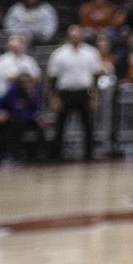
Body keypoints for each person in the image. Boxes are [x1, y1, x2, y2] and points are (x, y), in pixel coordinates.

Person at [47, 25, 103, 162]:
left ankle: (89, 155)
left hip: (84, 93)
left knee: (88, 126)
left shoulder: (91, 53)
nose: (75, 39)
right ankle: (57, 155)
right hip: (65, 93)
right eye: (72, 37)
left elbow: (95, 76)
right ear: (68, 37)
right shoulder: (59, 54)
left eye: (77, 36)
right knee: (60, 125)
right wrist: (53, 97)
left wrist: (95, 96)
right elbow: (52, 77)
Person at [0, 71, 49, 162]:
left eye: (28, 82)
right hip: (15, 117)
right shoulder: (13, 90)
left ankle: (39, 154)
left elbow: (37, 108)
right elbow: (15, 109)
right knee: (17, 124)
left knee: (41, 126)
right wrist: (33, 117)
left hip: (29, 117)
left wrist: (32, 97)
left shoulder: (35, 90)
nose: (26, 84)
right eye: (23, 82)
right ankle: (15, 154)